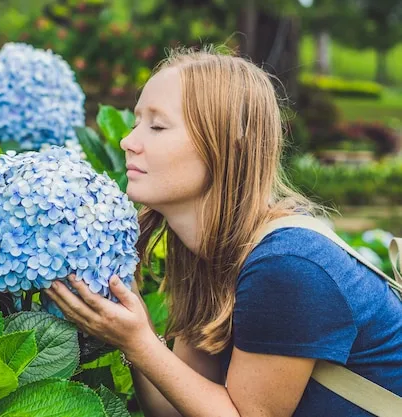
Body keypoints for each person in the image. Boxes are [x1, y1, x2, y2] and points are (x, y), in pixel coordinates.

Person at [44, 46, 402, 417]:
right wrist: (134, 324)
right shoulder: (210, 257)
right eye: (136, 123)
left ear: (226, 141)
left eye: (157, 126)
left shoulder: (288, 264)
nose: (128, 142)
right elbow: (174, 409)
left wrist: (136, 343)